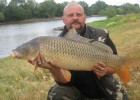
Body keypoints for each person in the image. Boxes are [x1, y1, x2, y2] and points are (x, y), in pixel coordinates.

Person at [29, 1, 128, 100]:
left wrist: (106, 70)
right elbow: (64, 81)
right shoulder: (55, 44)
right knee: (56, 94)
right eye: (70, 15)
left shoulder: (101, 34)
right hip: (75, 87)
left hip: (101, 83)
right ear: (63, 19)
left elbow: (115, 66)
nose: (75, 18)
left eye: (79, 14)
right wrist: (51, 68)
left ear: (85, 17)